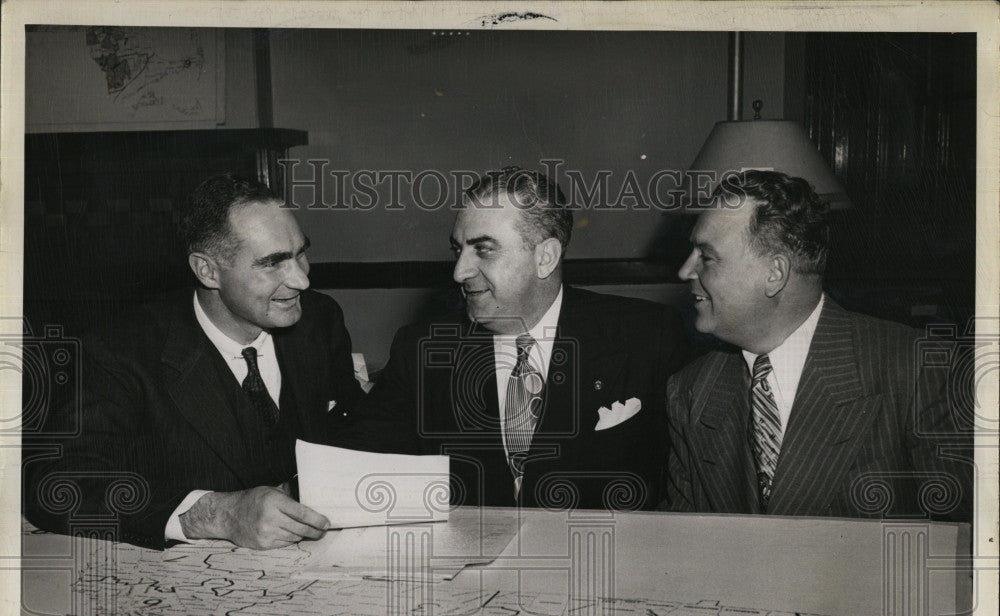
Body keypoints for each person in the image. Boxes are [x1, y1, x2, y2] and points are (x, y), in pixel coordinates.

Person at [23, 174, 363, 549]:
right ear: (207, 270)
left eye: (300, 253)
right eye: (272, 263)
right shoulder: (121, 349)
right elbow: (55, 483)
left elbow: (350, 429)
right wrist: (217, 514)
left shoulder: (319, 320)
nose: (301, 279)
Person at [333, 166, 690, 511]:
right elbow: (352, 461)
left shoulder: (647, 337)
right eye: (458, 250)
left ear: (545, 257)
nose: (460, 272)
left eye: (484, 249)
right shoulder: (422, 349)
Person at [665, 169, 972, 519]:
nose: (685, 271)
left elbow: (965, 547)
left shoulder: (917, 371)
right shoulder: (690, 392)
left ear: (774, 274)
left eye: (706, 256)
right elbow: (683, 547)